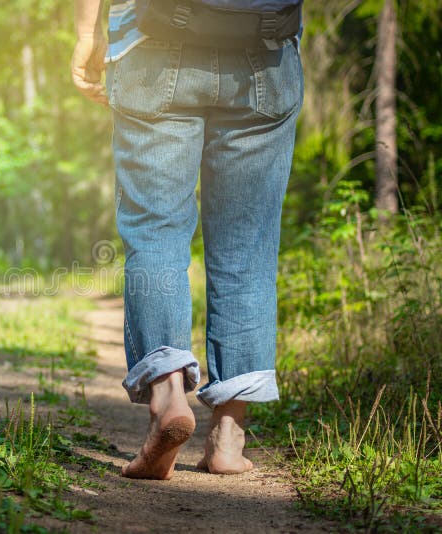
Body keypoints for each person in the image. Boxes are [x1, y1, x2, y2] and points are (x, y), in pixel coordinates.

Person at [72, 0, 304, 479]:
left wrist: (86, 33)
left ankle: (168, 398)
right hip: (263, 50)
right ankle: (227, 439)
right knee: (246, 250)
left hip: (151, 45)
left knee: (155, 233)